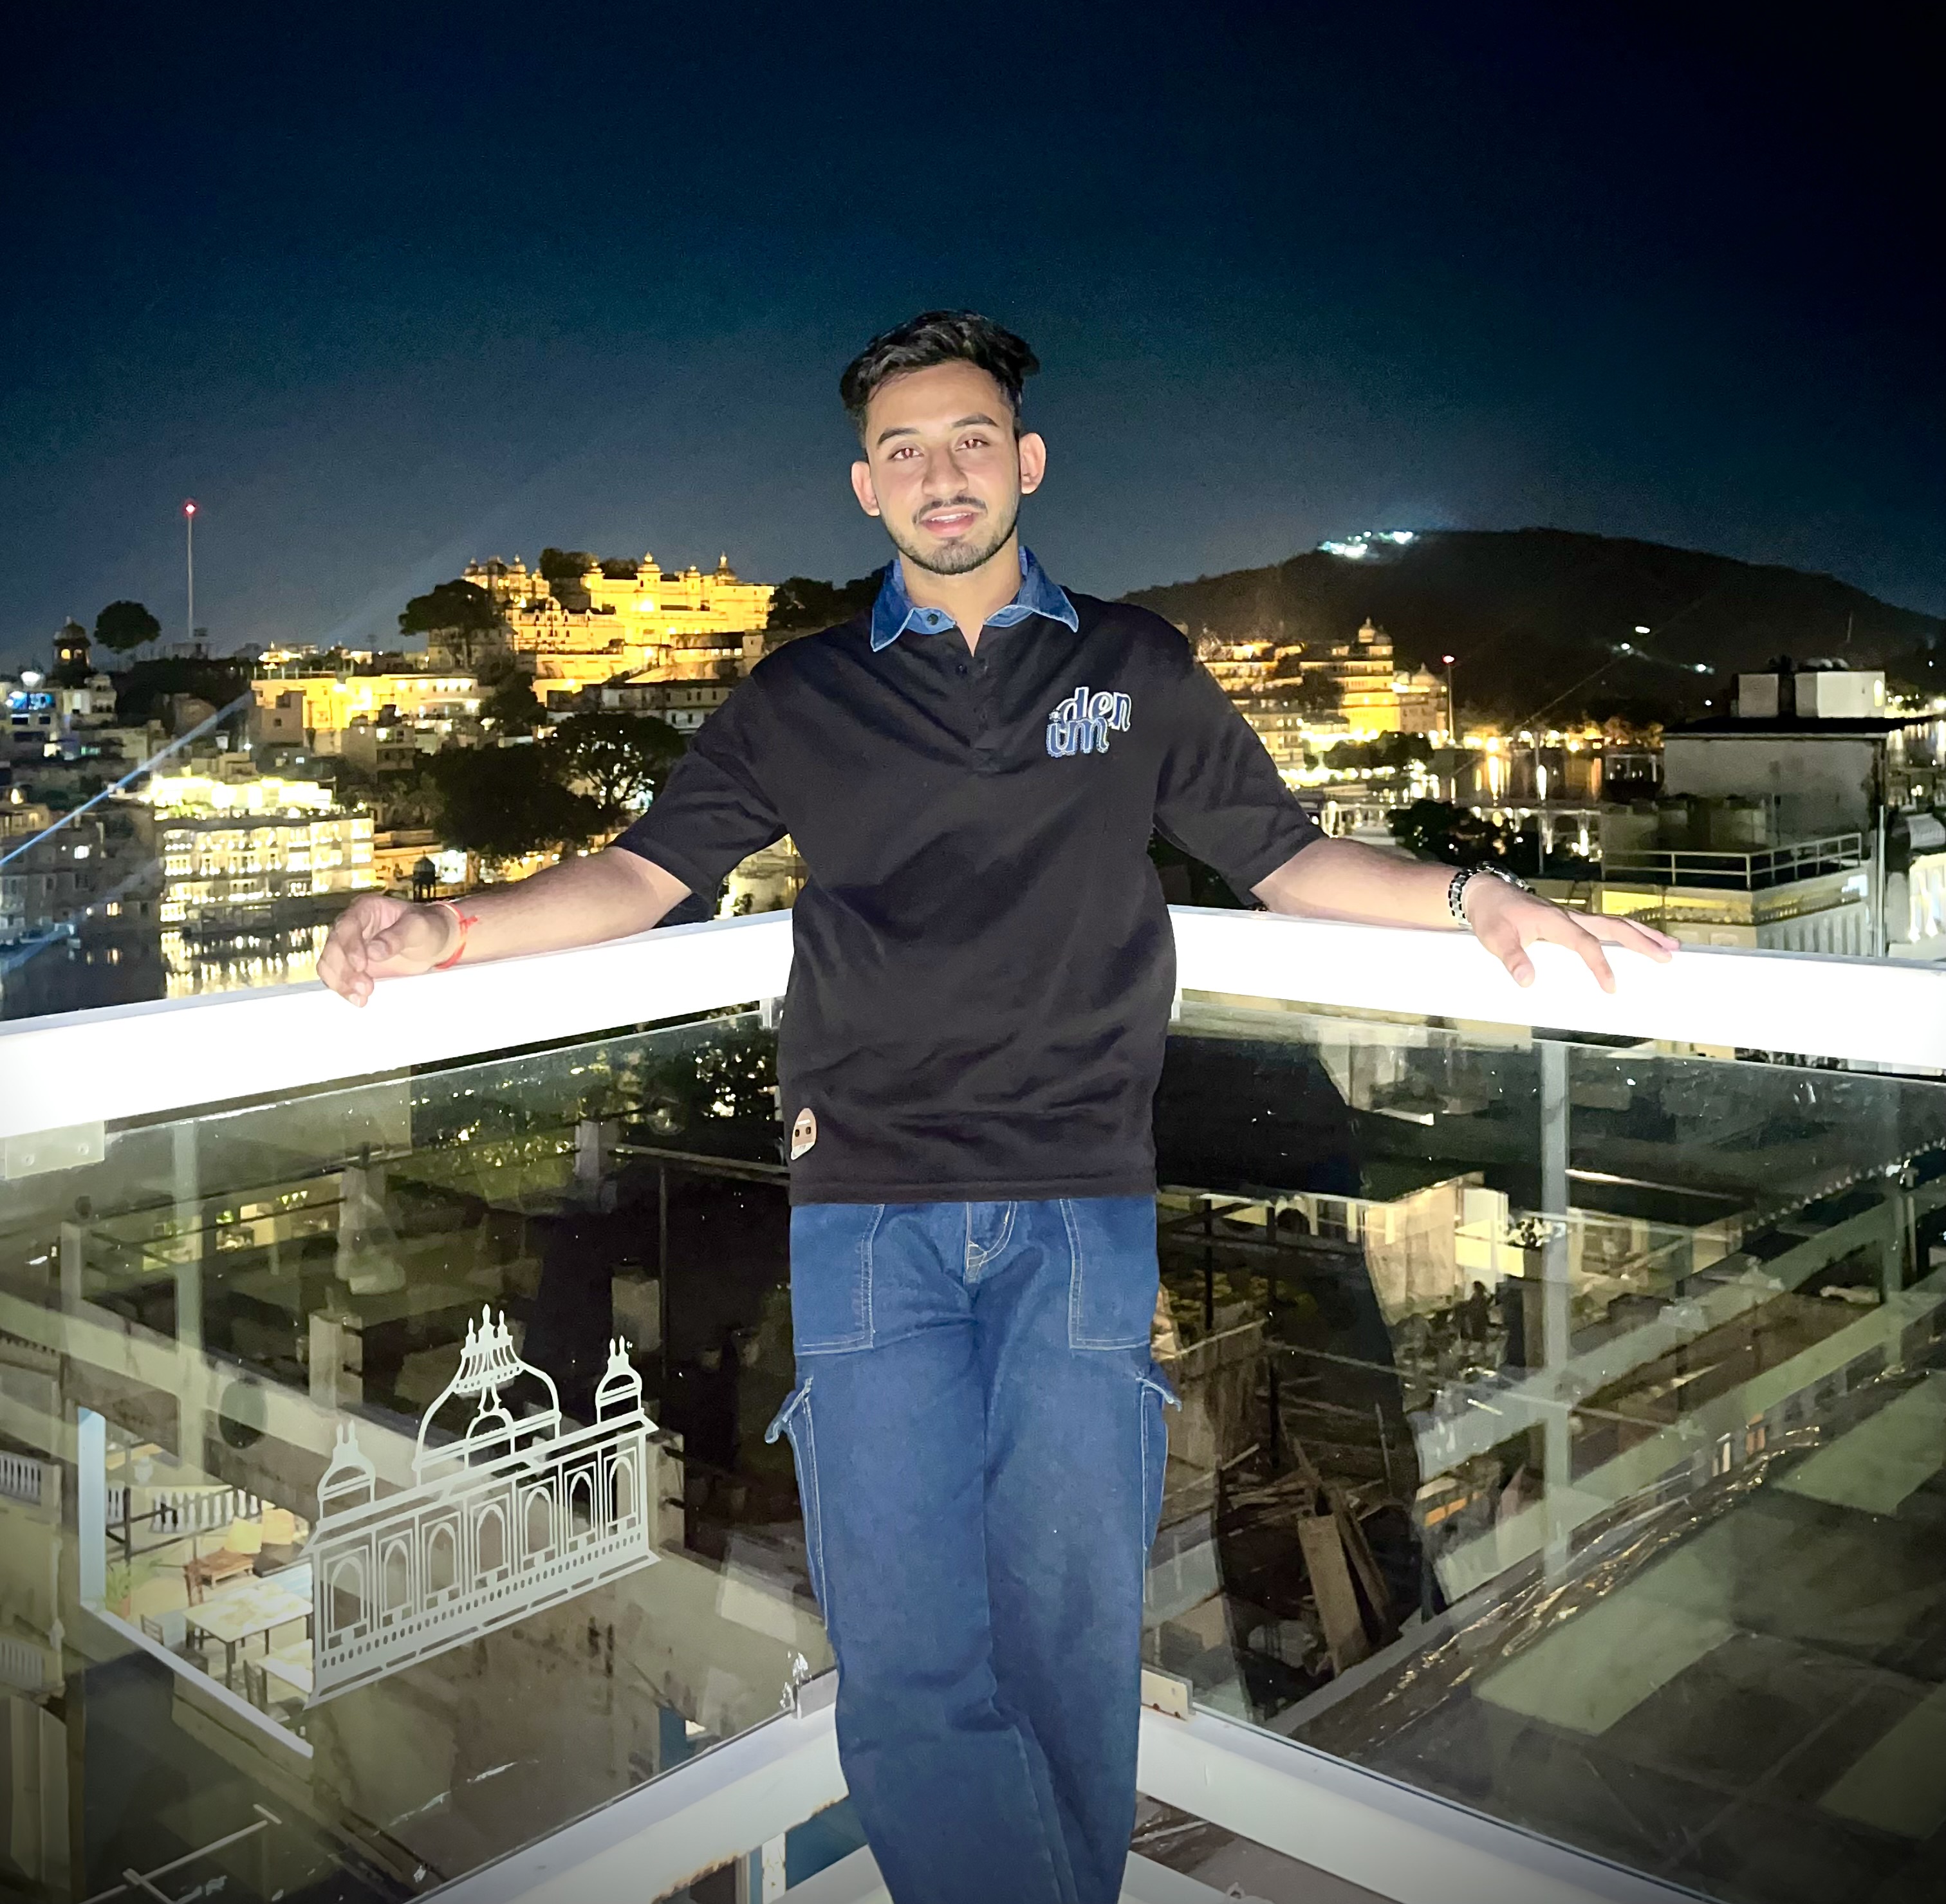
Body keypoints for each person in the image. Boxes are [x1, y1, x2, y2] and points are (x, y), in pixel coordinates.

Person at [319, 310, 1674, 1904]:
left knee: (1069, 1640)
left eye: (971, 440)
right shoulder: (804, 694)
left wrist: (1473, 896)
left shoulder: (1132, 667)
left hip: (1080, 1204)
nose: (940, 473)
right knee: (907, 1656)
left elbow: (1286, 855)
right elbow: (640, 874)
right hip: (867, 1211)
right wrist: (446, 928)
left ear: (1026, 461)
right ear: (865, 486)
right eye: (903, 450)